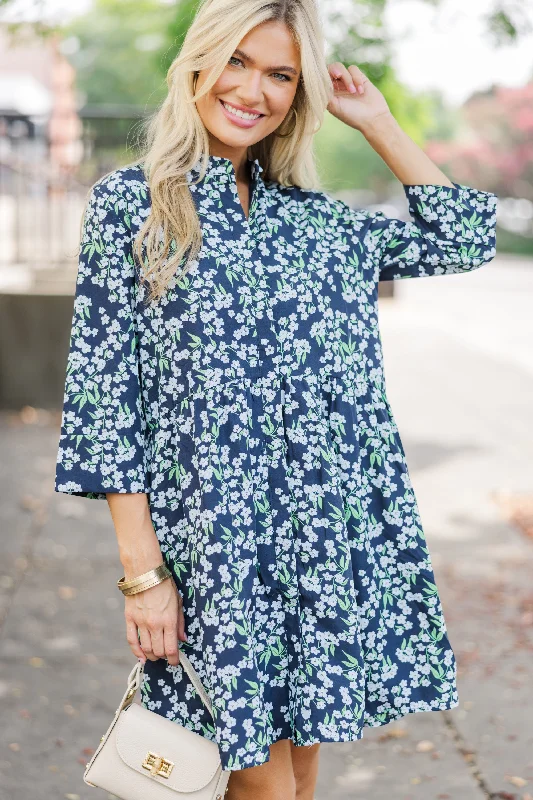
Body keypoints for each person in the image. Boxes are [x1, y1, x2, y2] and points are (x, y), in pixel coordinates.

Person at [54, 0, 498, 798]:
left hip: (326, 535)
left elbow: (463, 236)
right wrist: (141, 572)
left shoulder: (319, 224)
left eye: (280, 74)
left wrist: (376, 122)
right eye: (238, 61)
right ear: (197, 64)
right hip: (216, 543)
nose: (252, 89)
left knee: (296, 772)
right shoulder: (135, 204)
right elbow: (102, 397)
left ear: (301, 94)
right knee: (252, 778)